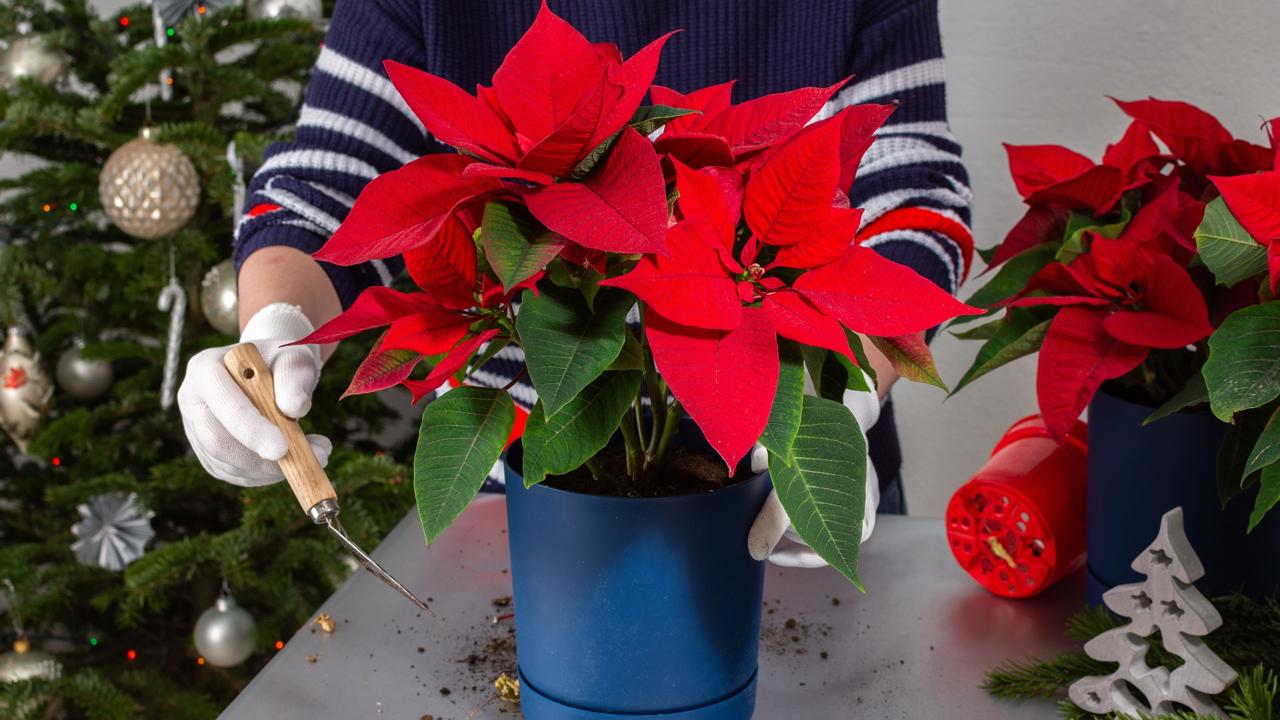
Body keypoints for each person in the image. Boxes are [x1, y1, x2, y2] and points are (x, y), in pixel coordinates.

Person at [179, 0, 972, 564]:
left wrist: (847, 392)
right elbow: (334, 179)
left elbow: (914, 193)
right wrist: (278, 326)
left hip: (786, 482)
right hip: (524, 498)